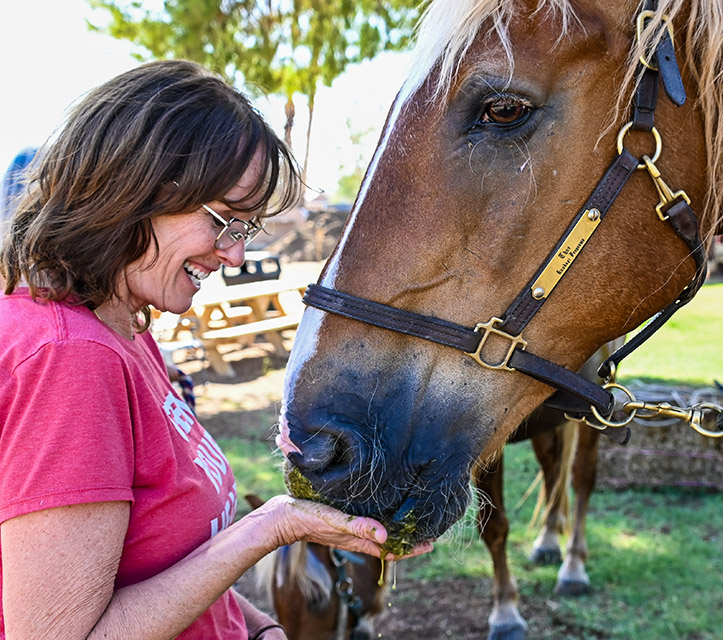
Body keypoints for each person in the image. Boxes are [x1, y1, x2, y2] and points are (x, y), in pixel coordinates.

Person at [0, 60, 430, 640]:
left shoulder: (125, 329)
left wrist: (257, 629)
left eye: (244, 229)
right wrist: (270, 527)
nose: (235, 256)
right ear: (136, 188)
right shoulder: (71, 358)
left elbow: (157, 567)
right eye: (225, 220)